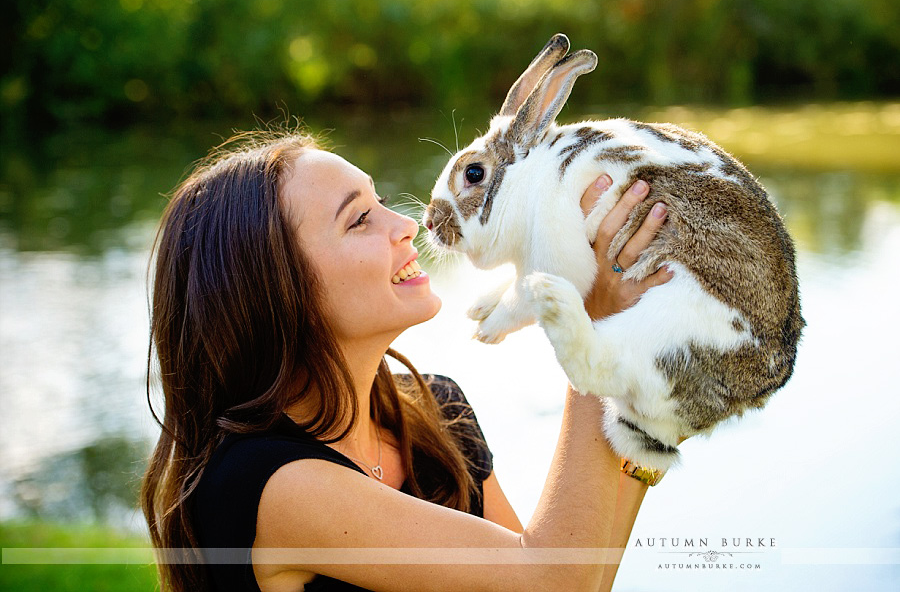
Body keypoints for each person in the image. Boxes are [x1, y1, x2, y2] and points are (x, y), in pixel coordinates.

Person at [141, 129, 674, 592]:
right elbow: (554, 579)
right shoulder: (269, 481)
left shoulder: (436, 411)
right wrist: (590, 327)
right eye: (359, 221)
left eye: (382, 201)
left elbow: (570, 579)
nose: (404, 224)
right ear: (276, 292)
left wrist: (644, 425)